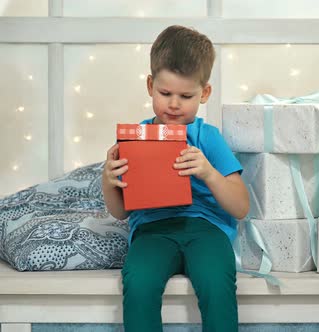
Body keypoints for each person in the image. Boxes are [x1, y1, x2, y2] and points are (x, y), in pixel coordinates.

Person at [101, 25, 249, 332]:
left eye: (186, 95)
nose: (174, 105)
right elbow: (120, 212)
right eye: (165, 93)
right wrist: (108, 180)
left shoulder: (208, 137)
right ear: (150, 85)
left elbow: (241, 207)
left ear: (204, 93)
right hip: (152, 229)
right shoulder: (135, 139)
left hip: (205, 229)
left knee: (215, 282)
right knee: (139, 281)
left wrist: (208, 172)